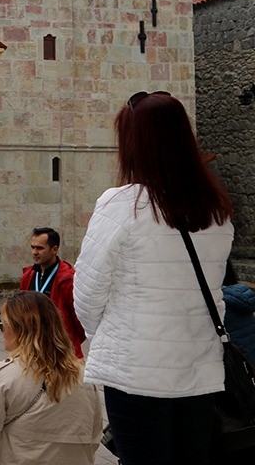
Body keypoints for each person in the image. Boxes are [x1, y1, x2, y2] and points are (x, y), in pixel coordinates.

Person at [73, 90, 233, 464]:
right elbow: (215, 292)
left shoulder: (121, 204)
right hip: (198, 369)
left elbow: (87, 296)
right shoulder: (217, 211)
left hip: (137, 376)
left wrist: (114, 340)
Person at [0, 291, 102, 465]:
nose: (1, 331)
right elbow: (94, 436)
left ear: (18, 329)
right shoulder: (84, 377)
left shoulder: (2, 377)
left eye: (2, 324)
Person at [19, 227, 86, 357]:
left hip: (60, 349)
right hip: (32, 347)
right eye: (32, 247)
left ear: (54, 249)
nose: (34, 252)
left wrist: (67, 340)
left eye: (40, 248)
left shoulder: (67, 279)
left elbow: (78, 317)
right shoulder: (27, 276)